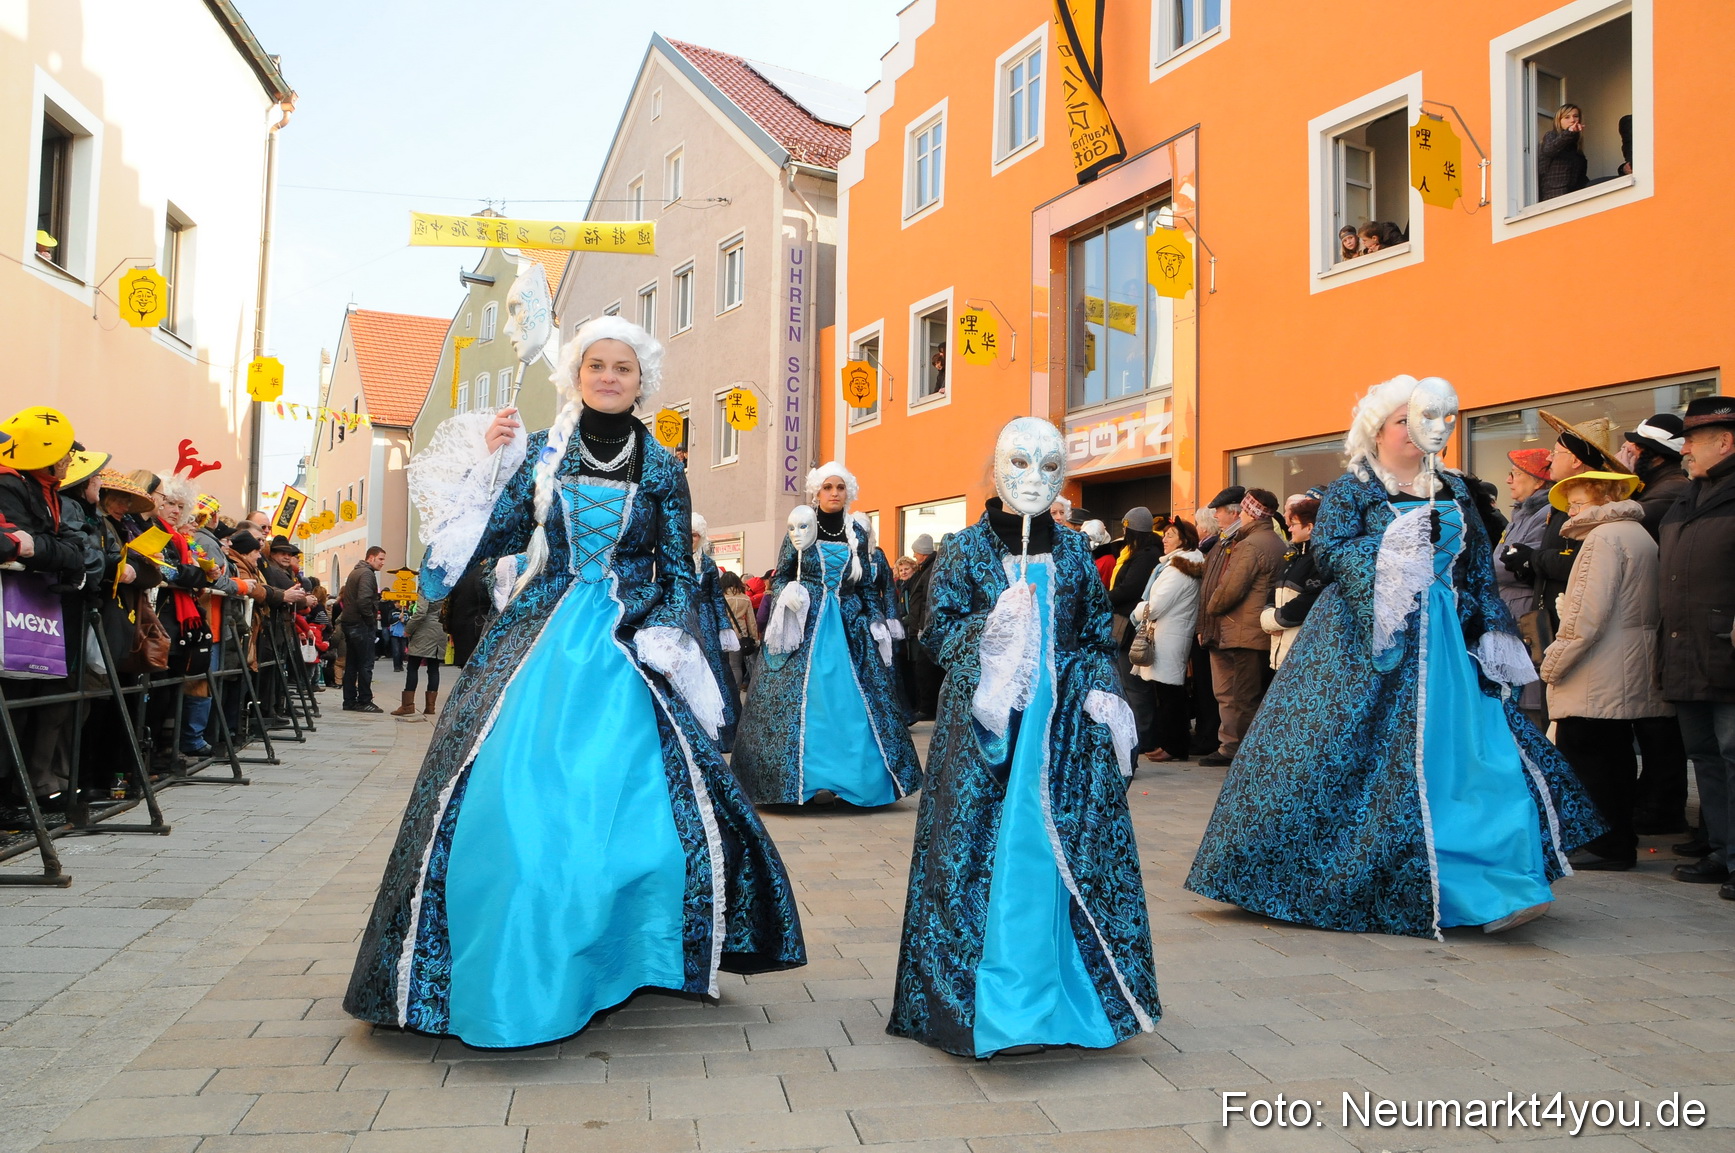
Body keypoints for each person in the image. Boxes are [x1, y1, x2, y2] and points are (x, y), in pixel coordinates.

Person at [346, 315, 804, 1048]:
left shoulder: (661, 465)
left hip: (626, 639)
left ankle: (623, 950)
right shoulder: (541, 452)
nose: (609, 377)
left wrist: (666, 632)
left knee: (629, 802)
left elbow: (678, 569)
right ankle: (507, 969)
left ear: (642, 379)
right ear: (577, 373)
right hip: (541, 633)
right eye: (597, 364)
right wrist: (488, 466)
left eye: (623, 367)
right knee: (508, 792)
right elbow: (487, 539)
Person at [1187, 376, 1603, 937]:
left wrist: (1489, 629)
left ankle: (1501, 884)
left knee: (1476, 757)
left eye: (1427, 419)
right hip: (1363, 643)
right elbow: (1330, 553)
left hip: (1449, 645)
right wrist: (1392, 551)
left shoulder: (1455, 488)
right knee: (1341, 758)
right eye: (1404, 421)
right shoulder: (1353, 488)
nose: (1418, 429)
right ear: (1377, 430)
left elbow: (1477, 566)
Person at [888, 417, 1158, 1057]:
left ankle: (1059, 997)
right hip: (984, 728)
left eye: (1049, 465)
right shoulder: (962, 548)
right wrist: (991, 636)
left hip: (1062, 732)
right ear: (996, 468)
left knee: (1055, 852)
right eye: (1020, 462)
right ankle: (984, 1007)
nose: (1034, 477)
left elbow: (1092, 635)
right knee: (981, 851)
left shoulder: (1075, 553)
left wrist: (1102, 692)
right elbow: (937, 629)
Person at [732, 463, 922, 807]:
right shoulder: (801, 525)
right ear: (817, 492)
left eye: (840, 487)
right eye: (828, 488)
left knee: (850, 703)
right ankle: (802, 783)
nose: (834, 493)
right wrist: (787, 591)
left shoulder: (857, 533)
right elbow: (781, 574)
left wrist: (875, 618)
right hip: (805, 624)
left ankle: (853, 781)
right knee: (811, 700)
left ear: (848, 492)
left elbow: (866, 585)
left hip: (849, 626)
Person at [1538, 470, 1664, 871]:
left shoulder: (1603, 539)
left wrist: (1553, 665)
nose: (1571, 513)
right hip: (1624, 662)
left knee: (1590, 755)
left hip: (1599, 668)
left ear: (1604, 499)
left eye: (1578, 504)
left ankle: (1606, 845)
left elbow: (1584, 618)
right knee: (1614, 755)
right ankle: (1616, 841)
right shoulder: (1635, 533)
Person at [1656, 395, 1735, 893]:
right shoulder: (1688, 496)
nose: (1684, 450)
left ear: (1725, 441)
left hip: (1726, 650)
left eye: (1692, 441)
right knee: (1705, 755)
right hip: (1686, 649)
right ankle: (1722, 851)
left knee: (1733, 753)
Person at [0, 408, 90, 811]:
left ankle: (16, 794)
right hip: (16, 609)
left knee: (26, 704)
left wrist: (58, 554)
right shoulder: (11, 484)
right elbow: (23, 543)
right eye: (65, 452)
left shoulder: (41, 488)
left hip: (33, 614)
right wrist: (56, 553)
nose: (70, 460)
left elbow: (67, 546)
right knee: (14, 705)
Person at [1196, 488, 1287, 766]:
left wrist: (1211, 608)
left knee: (1243, 697)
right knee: (1243, 695)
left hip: (1242, 631)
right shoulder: (1270, 540)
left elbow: (1230, 588)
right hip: (1249, 629)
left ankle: (1243, 756)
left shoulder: (1250, 544)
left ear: (1250, 513)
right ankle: (1237, 749)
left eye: (1244, 511)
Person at [1129, 517, 1205, 763]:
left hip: (1168, 634)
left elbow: (1156, 606)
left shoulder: (1178, 569)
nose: (1164, 539)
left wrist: (1136, 612)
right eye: (1164, 535)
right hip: (1169, 632)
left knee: (1169, 693)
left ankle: (1174, 745)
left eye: (1170, 535)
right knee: (1168, 692)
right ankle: (1171, 743)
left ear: (1184, 540)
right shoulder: (1177, 565)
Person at [1497, 448, 1555, 727]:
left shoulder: (1545, 513)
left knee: (1530, 706)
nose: (1508, 480)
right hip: (1513, 612)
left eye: (1516, 473)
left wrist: (1482, 567)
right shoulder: (1521, 513)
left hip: (1526, 614)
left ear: (1539, 481)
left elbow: (1505, 565)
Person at [688, 513, 741, 749]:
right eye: (687, 534)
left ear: (701, 537)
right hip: (685, 619)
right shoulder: (675, 560)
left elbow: (718, 598)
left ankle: (722, 735)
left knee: (715, 671)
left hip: (707, 622)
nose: (690, 539)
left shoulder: (708, 564)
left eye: (694, 535)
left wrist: (724, 627)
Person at [1259, 497, 1325, 670]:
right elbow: (1273, 592)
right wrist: (1267, 615)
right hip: (1282, 654)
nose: (1289, 529)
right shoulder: (1294, 557)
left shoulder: (1318, 560)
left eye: (1294, 524)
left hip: (1303, 657)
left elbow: (1307, 602)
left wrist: (1273, 620)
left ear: (1309, 528)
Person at [1619, 413, 1690, 541]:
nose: (1629, 452)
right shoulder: (1654, 481)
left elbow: (1626, 522)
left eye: (1637, 446)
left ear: (1656, 456)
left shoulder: (1673, 488)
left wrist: (1623, 484)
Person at [340, 546, 386, 712]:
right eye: (380, 559)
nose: (383, 563)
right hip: (360, 624)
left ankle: (349, 700)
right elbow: (364, 600)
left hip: (350, 622)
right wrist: (370, 620)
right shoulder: (367, 574)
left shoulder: (356, 571)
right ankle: (364, 700)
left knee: (352, 664)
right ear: (371, 558)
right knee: (365, 664)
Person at [902, 534, 941, 720]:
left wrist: (922, 626)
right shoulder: (926, 569)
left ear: (923, 553)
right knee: (921, 669)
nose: (914, 556)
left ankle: (927, 708)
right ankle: (924, 706)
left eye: (915, 552)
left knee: (925, 669)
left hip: (925, 627)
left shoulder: (930, 569)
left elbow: (927, 600)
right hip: (922, 626)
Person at [391, 596, 448, 718]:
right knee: (433, 669)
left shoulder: (427, 588)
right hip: (440, 629)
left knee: (413, 667)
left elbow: (421, 612)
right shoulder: (446, 588)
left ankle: (407, 705)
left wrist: (408, 629)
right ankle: (430, 707)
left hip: (424, 631)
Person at [1538, 103, 1589, 201]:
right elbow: (1549, 150)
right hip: (1554, 196)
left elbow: (1581, 177)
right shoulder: (1551, 136)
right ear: (1559, 121)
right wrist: (1569, 133)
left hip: (1572, 196)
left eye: (1575, 116)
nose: (1572, 120)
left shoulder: (1576, 146)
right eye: (1567, 117)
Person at [720, 570, 758, 695]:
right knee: (735, 666)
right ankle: (735, 693)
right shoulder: (745, 599)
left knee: (722, 665)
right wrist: (754, 638)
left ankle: (724, 692)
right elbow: (751, 621)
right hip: (739, 636)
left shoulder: (721, 599)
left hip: (722, 635)